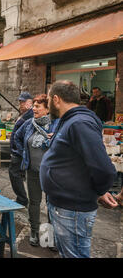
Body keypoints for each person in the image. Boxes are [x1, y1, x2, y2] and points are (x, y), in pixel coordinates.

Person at [40, 80, 117, 258]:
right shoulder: (67, 121)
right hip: (63, 206)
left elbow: (105, 169)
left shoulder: (79, 123)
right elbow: (81, 161)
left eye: (49, 99)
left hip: (72, 210)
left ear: (56, 99)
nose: (48, 102)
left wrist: (99, 190)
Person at [15, 94, 59, 247]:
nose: (34, 109)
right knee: (34, 202)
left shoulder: (57, 124)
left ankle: (50, 237)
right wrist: (23, 154)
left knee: (52, 204)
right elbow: (17, 137)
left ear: (47, 109)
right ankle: (34, 231)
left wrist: (55, 138)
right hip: (32, 171)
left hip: (51, 173)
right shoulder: (28, 124)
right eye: (33, 105)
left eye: (37, 106)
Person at [9, 92, 34, 207]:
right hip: (18, 151)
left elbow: (22, 136)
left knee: (15, 174)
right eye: (20, 102)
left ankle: (22, 199)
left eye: (24, 102)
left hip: (19, 152)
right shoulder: (23, 114)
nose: (21, 104)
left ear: (30, 102)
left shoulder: (30, 115)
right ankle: (22, 198)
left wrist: (19, 151)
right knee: (16, 174)